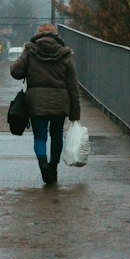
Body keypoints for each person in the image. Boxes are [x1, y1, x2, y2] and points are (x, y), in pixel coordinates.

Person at [10, 23, 81, 185]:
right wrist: (75, 112)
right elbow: (73, 86)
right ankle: (53, 168)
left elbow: (15, 72)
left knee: (40, 137)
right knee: (57, 136)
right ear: (56, 35)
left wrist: (24, 57)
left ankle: (43, 164)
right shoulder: (65, 54)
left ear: (38, 34)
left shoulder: (30, 51)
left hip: (36, 103)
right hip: (60, 102)